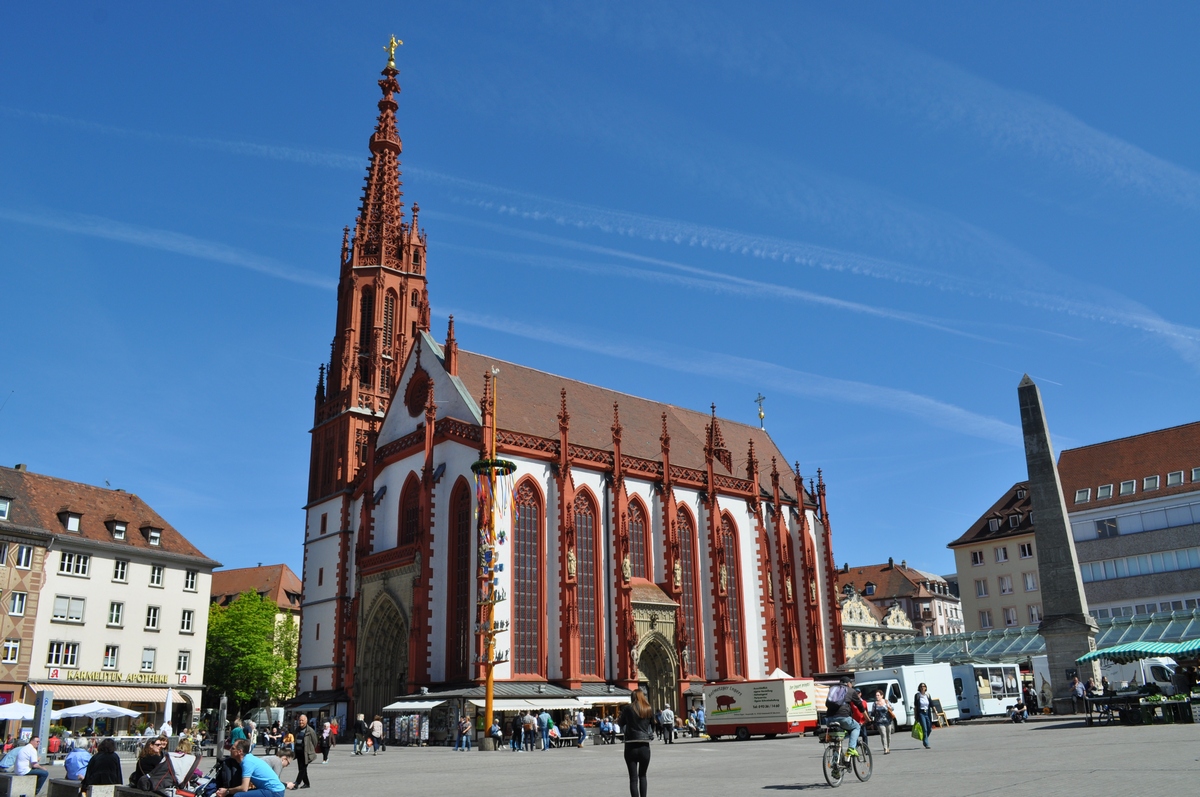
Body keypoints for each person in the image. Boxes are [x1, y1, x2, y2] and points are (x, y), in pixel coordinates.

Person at [216, 739, 286, 797]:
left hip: (274, 792)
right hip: (274, 790)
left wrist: (227, 791)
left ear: (240, 752)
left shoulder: (247, 762)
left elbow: (244, 788)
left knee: (238, 796)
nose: (230, 750)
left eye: (233, 748)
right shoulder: (248, 758)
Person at [619, 688, 655, 797]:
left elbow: (621, 723)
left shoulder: (627, 709)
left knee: (633, 778)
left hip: (630, 744)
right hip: (644, 745)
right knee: (643, 776)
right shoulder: (648, 708)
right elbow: (653, 724)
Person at [825, 676, 867, 757]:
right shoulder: (850, 690)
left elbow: (827, 703)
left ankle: (835, 764)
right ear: (848, 683)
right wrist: (867, 718)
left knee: (837, 740)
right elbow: (860, 705)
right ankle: (851, 748)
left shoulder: (833, 689)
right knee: (856, 727)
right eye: (851, 683)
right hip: (843, 717)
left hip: (829, 719)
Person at [294, 714, 318, 789]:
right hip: (298, 753)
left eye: (302, 720)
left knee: (302, 769)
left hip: (306, 753)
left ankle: (297, 783)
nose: (301, 722)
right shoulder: (297, 729)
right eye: (300, 720)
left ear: (306, 721)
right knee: (301, 769)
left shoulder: (310, 730)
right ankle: (307, 783)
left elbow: (315, 742)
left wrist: (310, 749)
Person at [869, 690, 896, 754]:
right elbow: (872, 713)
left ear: (882, 696)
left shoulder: (886, 701)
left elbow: (892, 708)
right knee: (883, 735)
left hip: (888, 721)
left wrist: (888, 705)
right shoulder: (875, 704)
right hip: (879, 722)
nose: (877, 697)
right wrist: (871, 722)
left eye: (878, 695)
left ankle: (888, 747)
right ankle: (885, 749)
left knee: (888, 735)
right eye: (876, 695)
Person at [913, 682, 935, 749]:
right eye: (921, 686)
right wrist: (915, 715)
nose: (923, 687)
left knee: (929, 728)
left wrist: (936, 712)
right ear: (919, 688)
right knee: (924, 728)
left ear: (926, 688)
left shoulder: (927, 695)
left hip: (927, 713)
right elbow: (916, 706)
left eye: (924, 686)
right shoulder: (917, 695)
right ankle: (926, 743)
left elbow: (931, 704)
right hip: (921, 713)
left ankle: (924, 738)